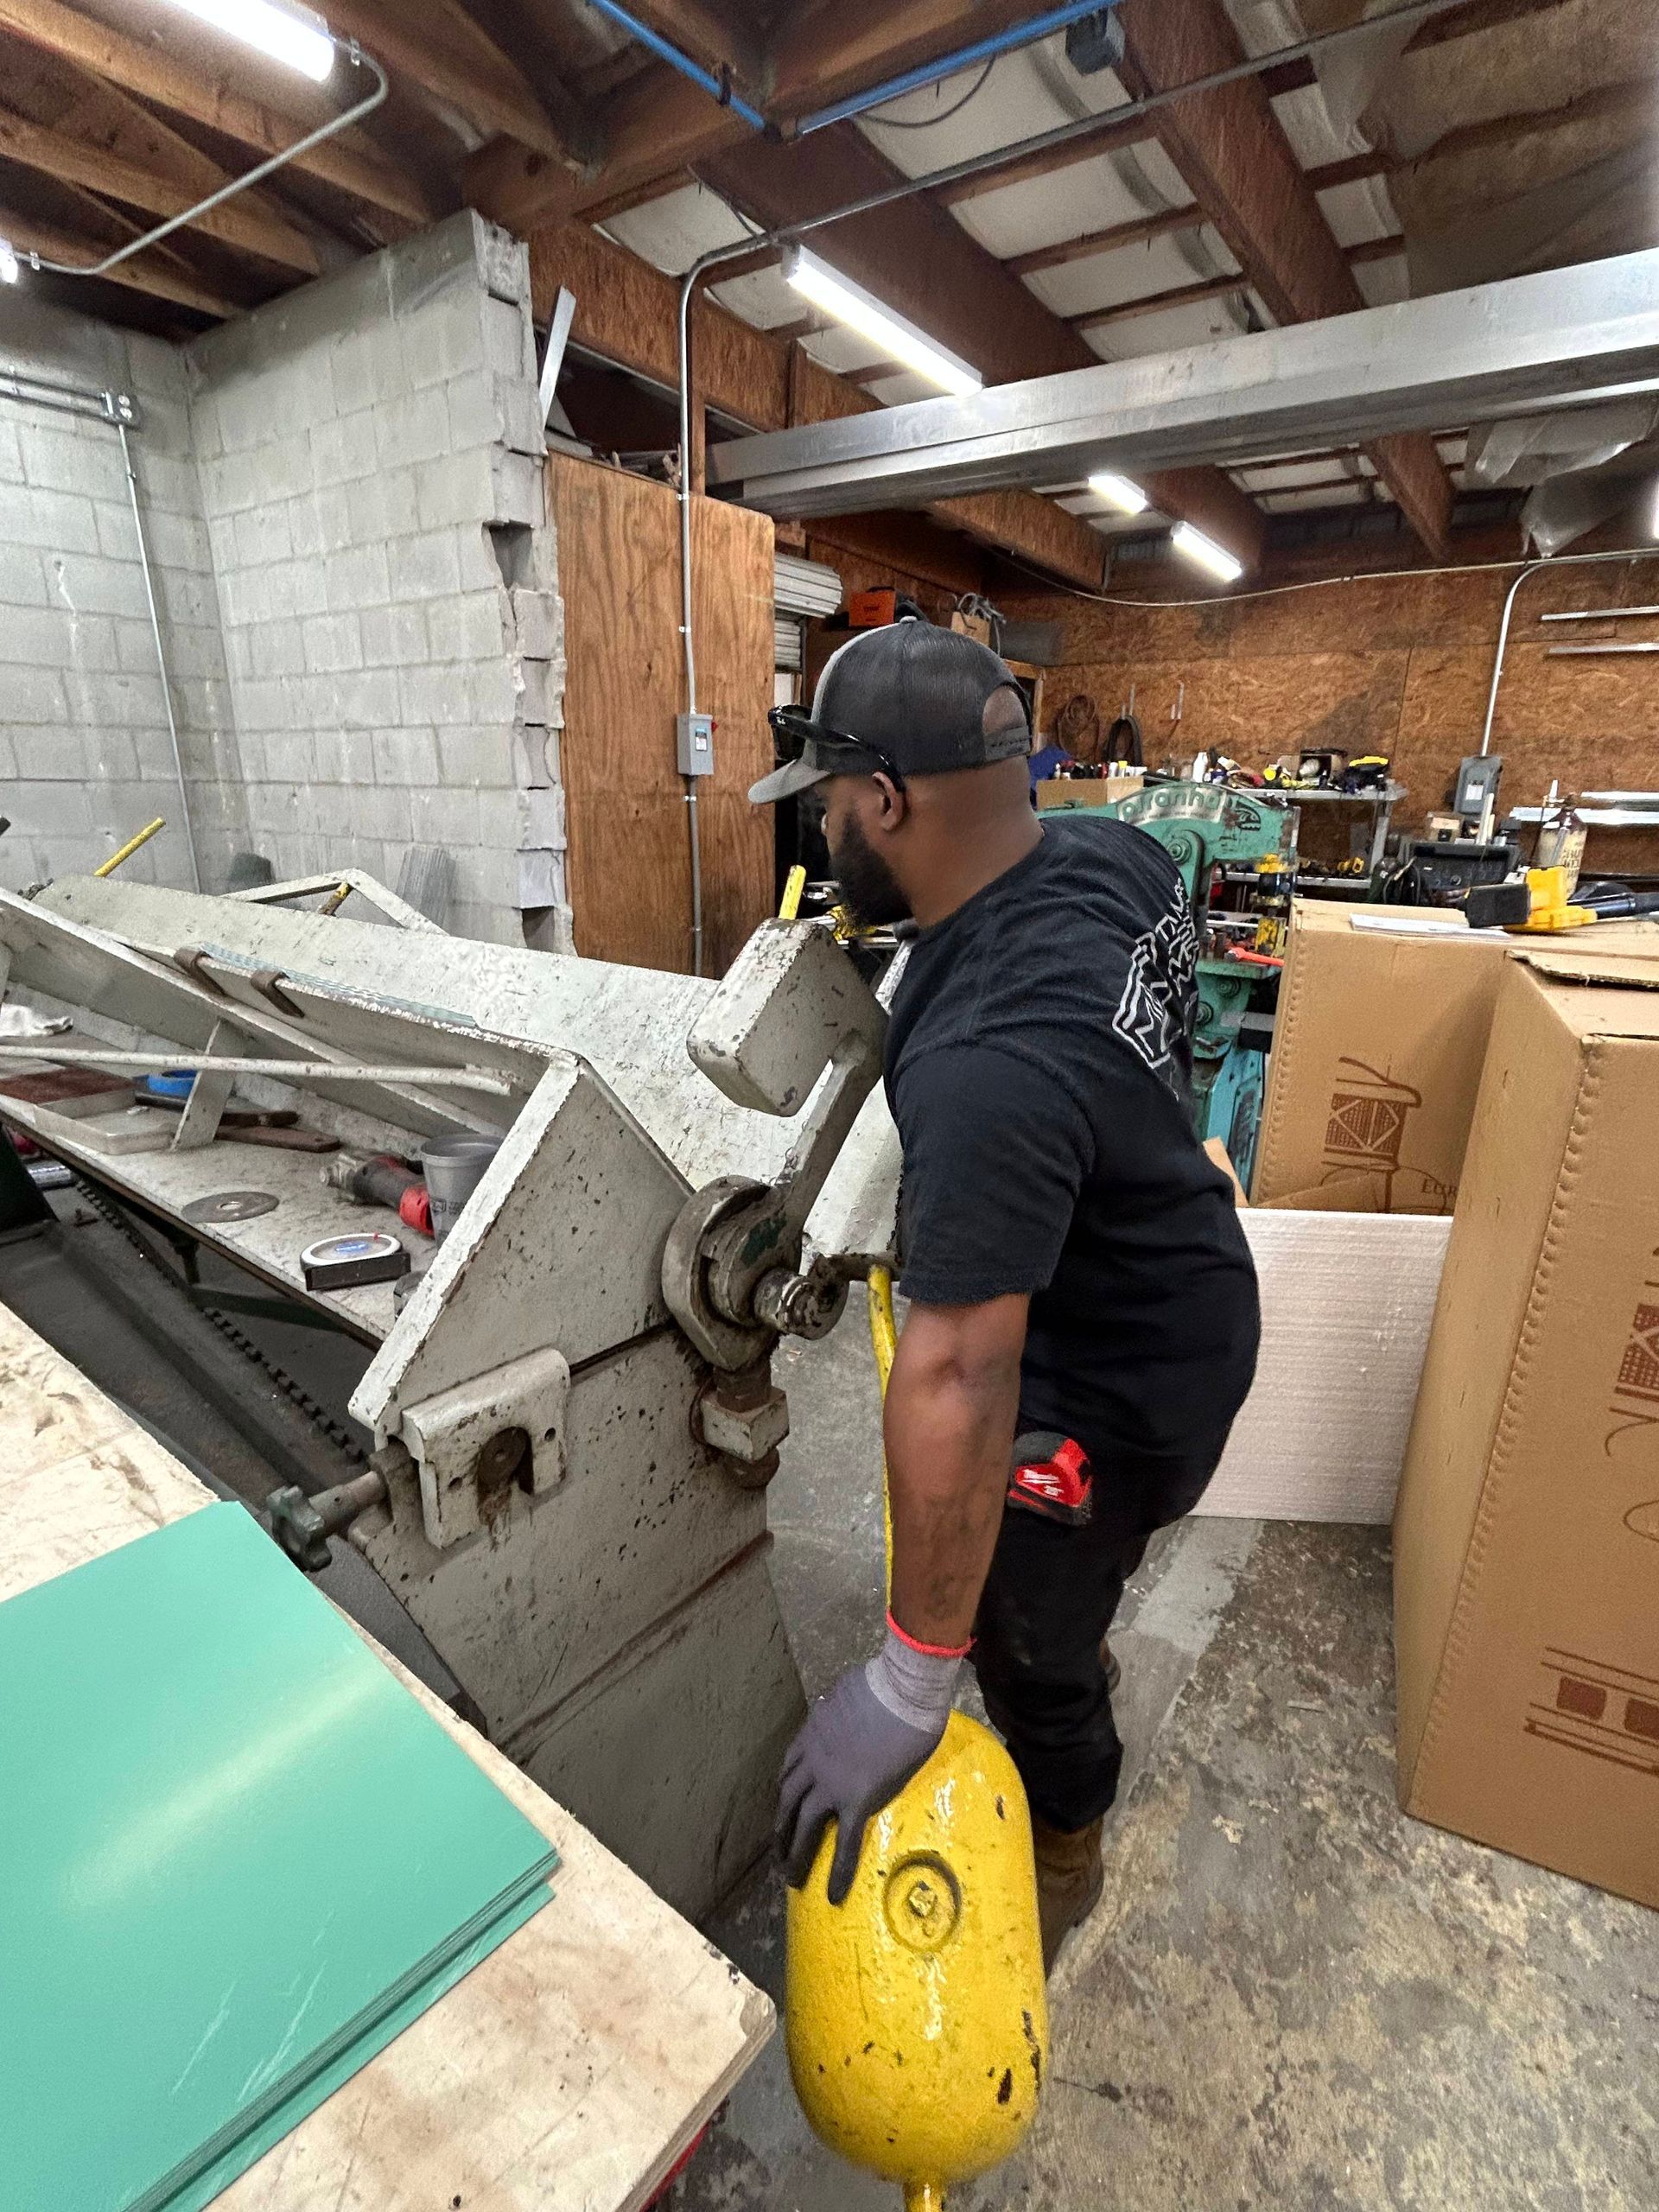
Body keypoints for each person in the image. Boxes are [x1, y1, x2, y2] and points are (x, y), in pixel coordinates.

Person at [750, 619, 1261, 1971]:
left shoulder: (990, 1066)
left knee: (1023, 1630)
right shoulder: (1113, 851)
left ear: (889, 800)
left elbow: (958, 1376)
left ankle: (1067, 1832)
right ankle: (1075, 1630)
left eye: (826, 803)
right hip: (1190, 1287)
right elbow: (1165, 1007)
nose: (819, 831)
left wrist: (916, 1674)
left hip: (1113, 1385)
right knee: (1066, 1582)